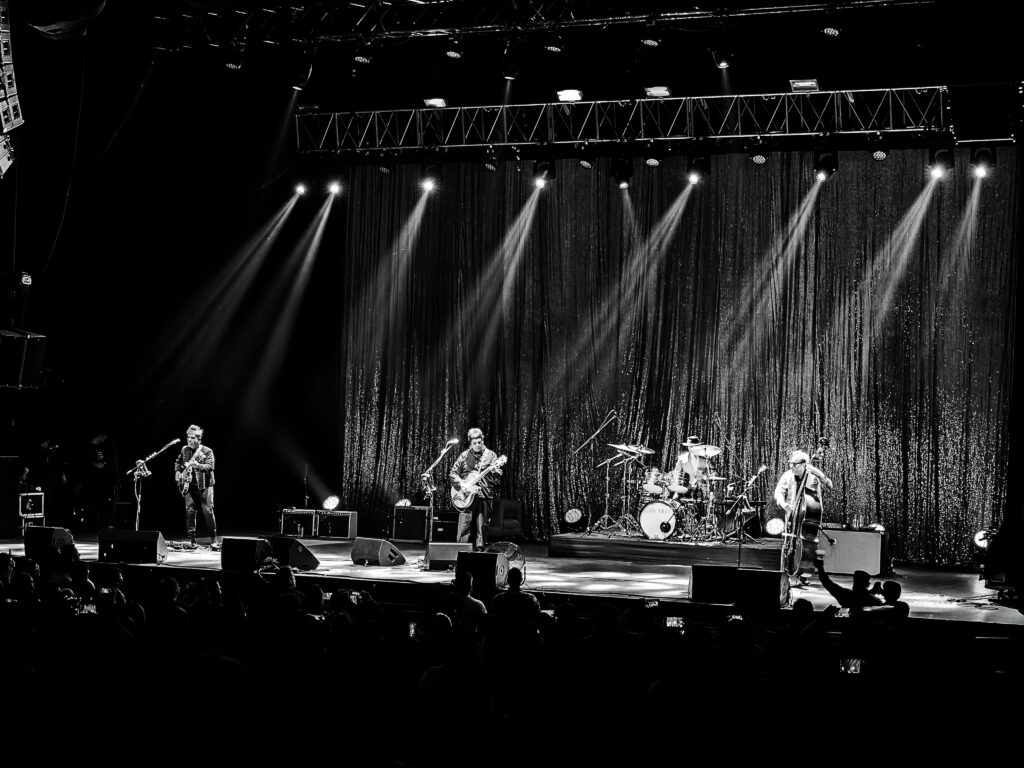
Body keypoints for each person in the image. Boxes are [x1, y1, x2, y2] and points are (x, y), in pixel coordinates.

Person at [449, 427, 502, 550]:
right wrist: (462, 483)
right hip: (466, 496)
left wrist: (495, 471)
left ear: (483, 440)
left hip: (483, 495)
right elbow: (453, 473)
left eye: (480, 442)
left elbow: (498, 476)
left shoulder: (491, 455)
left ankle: (480, 552)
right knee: (464, 526)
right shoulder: (464, 455)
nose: (478, 445)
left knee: (481, 527)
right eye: (474, 443)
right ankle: (461, 551)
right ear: (470, 443)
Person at [174, 424, 218, 549]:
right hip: (190, 486)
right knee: (190, 511)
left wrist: (197, 465)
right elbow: (178, 462)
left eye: (193, 438)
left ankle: (214, 539)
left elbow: (210, 466)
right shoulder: (184, 449)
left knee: (208, 511)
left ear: (199, 439)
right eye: (188, 437)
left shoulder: (207, 451)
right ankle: (192, 540)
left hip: (205, 486)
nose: (190, 440)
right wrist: (178, 472)